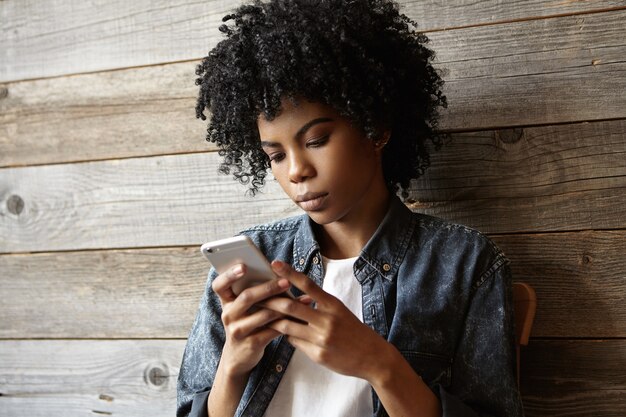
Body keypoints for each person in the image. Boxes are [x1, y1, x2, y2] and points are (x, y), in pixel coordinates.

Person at [177, 0, 524, 416]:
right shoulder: (251, 262)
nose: (297, 171)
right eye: (276, 155)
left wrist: (379, 364)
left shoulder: (462, 265)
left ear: (374, 129)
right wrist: (232, 367)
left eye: (317, 140)